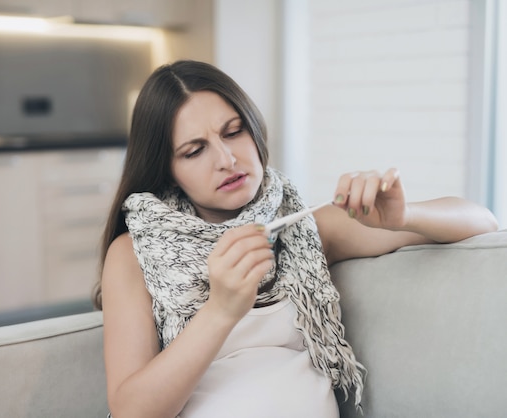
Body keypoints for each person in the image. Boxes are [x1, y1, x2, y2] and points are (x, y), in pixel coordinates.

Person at [93, 60, 498, 418]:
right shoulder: (133, 254)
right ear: (167, 170)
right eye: (195, 151)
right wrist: (220, 311)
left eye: (233, 132)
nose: (226, 159)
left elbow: (482, 221)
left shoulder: (302, 228)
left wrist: (403, 217)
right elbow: (132, 410)